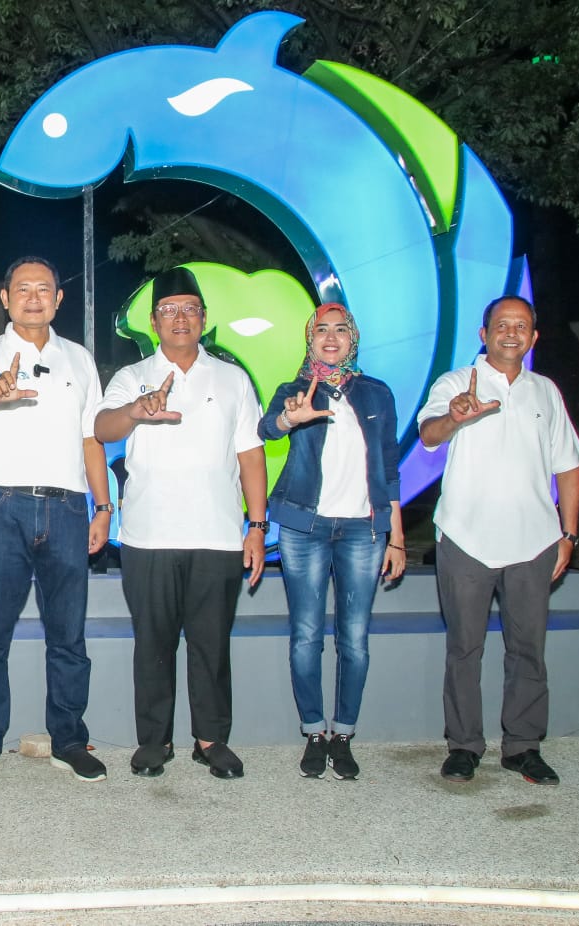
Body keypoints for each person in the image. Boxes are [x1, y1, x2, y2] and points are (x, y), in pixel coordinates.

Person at [94, 266, 267, 780]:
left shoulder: (233, 379)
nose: (180, 318)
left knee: (212, 645)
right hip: (148, 535)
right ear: (153, 321)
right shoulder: (132, 376)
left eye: (189, 309)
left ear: (204, 319)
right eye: (169, 311)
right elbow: (102, 428)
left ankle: (211, 739)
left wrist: (256, 525)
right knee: (154, 644)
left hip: (217, 536)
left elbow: (251, 454)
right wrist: (137, 411)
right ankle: (155, 741)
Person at [0, 256, 113, 783]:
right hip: (1, 505)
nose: (33, 297)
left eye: (43, 288)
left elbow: (93, 436)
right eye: (22, 289)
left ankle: (70, 738)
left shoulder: (79, 359)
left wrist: (102, 505)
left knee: (68, 635)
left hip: (68, 506)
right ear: (5, 299)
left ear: (58, 298)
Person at [418, 295, 579, 786]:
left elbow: (569, 466)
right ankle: (464, 746)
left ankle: (523, 746)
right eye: (501, 325)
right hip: (467, 539)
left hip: (534, 542)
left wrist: (568, 533)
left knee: (528, 649)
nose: (511, 333)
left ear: (534, 338)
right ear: (483, 333)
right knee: (464, 649)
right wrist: (456, 416)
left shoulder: (545, 392)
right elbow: (428, 435)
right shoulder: (454, 383)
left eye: (522, 326)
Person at [258, 302, 406, 780]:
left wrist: (396, 536)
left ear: (353, 338)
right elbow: (265, 428)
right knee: (305, 636)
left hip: (363, 529)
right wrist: (288, 419)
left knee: (355, 640)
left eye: (340, 329)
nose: (330, 336)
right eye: (321, 329)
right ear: (310, 338)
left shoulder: (377, 394)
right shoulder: (294, 390)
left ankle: (343, 734)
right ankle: (314, 732)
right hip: (305, 526)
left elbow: (389, 468)